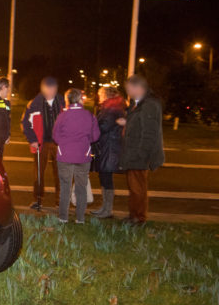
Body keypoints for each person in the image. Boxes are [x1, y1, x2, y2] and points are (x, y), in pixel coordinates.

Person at [117, 75, 165, 225]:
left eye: (129, 89)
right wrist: (127, 121)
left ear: (139, 88)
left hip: (139, 153)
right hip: (132, 152)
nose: (128, 92)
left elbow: (149, 132)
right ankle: (133, 215)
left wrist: (141, 153)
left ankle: (139, 218)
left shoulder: (149, 105)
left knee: (138, 188)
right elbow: (138, 122)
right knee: (133, 188)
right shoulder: (137, 103)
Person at [52, 88, 100, 223]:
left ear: (68, 100)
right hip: (83, 155)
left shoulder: (62, 116)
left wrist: (65, 143)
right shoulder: (89, 115)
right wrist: (84, 141)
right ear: (80, 99)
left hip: (64, 155)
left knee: (65, 187)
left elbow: (55, 136)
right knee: (81, 187)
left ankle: (63, 217)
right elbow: (95, 136)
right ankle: (80, 218)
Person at [21, 76, 65, 210]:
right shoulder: (34, 103)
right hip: (41, 143)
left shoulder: (63, 102)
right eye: (48, 88)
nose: (51, 91)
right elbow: (25, 123)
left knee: (61, 173)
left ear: (56, 89)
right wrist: (32, 139)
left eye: (53, 89)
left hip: (59, 143)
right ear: (43, 88)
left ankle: (60, 201)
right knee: (38, 173)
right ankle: (38, 199)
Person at [90, 86, 126, 219]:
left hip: (109, 147)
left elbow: (104, 126)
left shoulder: (111, 108)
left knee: (106, 177)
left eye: (100, 94)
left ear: (106, 95)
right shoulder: (110, 107)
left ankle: (108, 209)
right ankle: (105, 208)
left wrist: (92, 126)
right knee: (104, 176)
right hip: (107, 145)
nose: (99, 96)